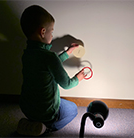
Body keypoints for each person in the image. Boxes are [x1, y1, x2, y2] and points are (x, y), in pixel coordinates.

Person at [17, 5, 86, 136]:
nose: (52, 35)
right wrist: (78, 78)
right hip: (45, 113)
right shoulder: (50, 57)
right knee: (72, 109)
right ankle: (46, 128)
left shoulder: (27, 54)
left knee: (55, 102)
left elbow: (49, 64)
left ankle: (31, 122)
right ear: (42, 32)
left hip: (26, 107)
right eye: (52, 31)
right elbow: (66, 84)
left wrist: (67, 52)